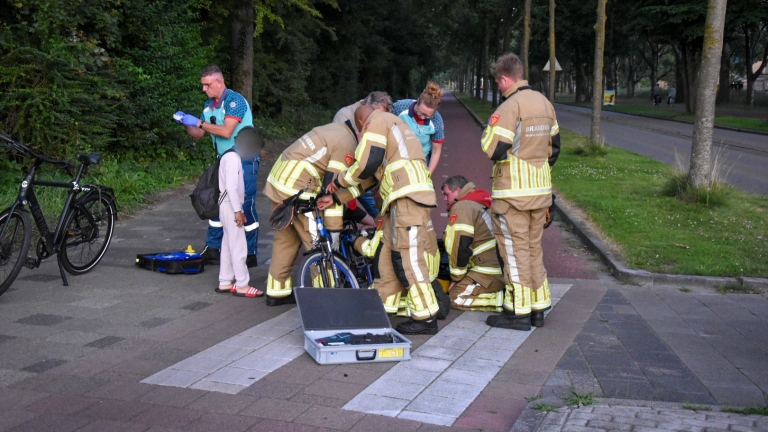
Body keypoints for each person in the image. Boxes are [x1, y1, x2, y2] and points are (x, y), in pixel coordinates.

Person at [326, 104, 443, 335]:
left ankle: (426, 317)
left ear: (361, 123)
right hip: (400, 198)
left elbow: (367, 163)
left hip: (406, 196)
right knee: (387, 254)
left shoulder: (376, 122)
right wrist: (338, 199)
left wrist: (339, 180)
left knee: (407, 257)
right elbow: (370, 179)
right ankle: (381, 307)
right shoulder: (394, 127)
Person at [480, 53, 560, 330]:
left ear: (504, 78)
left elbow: (494, 148)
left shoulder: (509, 107)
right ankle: (538, 308)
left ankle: (517, 312)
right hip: (540, 192)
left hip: (512, 195)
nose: (499, 87)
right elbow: (554, 149)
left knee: (514, 252)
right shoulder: (545, 103)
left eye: (497, 82)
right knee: (533, 249)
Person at [263, 122, 374, 306]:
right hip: (299, 189)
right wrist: (334, 231)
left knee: (286, 239)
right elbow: (331, 189)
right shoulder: (347, 145)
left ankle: (277, 292)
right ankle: (327, 295)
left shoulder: (336, 129)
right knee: (319, 244)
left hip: (279, 182)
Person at [175, 65, 259, 267]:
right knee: (218, 202)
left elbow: (227, 132)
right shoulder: (209, 105)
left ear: (219, 82)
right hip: (224, 159)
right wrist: (186, 123)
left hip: (244, 158)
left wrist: (199, 123)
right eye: (203, 85)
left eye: (207, 85)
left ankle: (250, 253)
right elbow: (199, 134)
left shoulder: (235, 101)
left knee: (244, 203)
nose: (204, 89)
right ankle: (213, 249)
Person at [441, 175, 505, 311]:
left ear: (457, 190)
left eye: (446, 194)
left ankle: (503, 301)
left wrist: (456, 277)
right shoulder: (479, 202)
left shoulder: (462, 207)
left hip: (487, 271)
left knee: (454, 298)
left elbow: (460, 245)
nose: (445, 199)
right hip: (496, 267)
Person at [215, 128, 262, 298]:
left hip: (225, 204)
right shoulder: (234, 159)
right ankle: (242, 284)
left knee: (227, 244)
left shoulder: (228, 155)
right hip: (230, 205)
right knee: (239, 246)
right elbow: (231, 188)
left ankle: (225, 281)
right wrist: (238, 211)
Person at [333, 91, 393, 219]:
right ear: (367, 106)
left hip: (364, 169)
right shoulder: (344, 116)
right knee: (378, 213)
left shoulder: (375, 116)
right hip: (350, 170)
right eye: (376, 114)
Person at [392, 82, 446, 174]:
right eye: (420, 112)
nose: (422, 117)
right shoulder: (400, 107)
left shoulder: (437, 120)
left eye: (427, 116)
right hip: (396, 156)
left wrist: (428, 173)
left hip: (421, 159)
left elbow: (436, 151)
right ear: (417, 102)